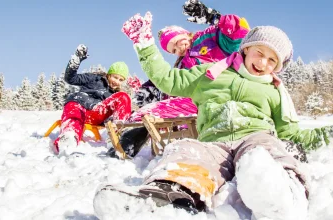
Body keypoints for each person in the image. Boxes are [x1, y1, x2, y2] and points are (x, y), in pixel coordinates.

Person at [94, 11, 333, 219]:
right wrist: (144, 43)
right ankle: (162, 196)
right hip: (213, 142)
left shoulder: (275, 89)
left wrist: (327, 133)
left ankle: (282, 193)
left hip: (256, 136)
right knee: (186, 150)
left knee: (266, 152)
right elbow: (168, 80)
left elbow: (290, 132)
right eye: (259, 52)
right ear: (247, 49)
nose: (263, 62)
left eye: (272, 60)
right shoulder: (211, 72)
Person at [110, 0, 250, 158]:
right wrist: (149, 88)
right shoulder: (182, 64)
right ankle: (124, 147)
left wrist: (213, 17)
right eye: (173, 50)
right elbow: (173, 82)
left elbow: (241, 33)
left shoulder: (208, 38)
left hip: (219, 96)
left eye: (176, 43)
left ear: (184, 33)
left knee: (152, 112)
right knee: (148, 113)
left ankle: (126, 146)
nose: (178, 50)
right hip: (194, 103)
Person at [53, 44, 132, 156]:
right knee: (74, 110)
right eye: (115, 77)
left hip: (97, 112)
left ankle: (116, 137)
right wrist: (76, 60)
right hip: (79, 105)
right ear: (108, 75)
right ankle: (68, 138)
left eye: (121, 80)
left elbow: (121, 110)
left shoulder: (114, 95)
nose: (117, 81)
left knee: (124, 96)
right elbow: (70, 79)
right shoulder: (94, 78)